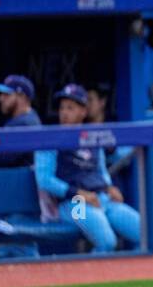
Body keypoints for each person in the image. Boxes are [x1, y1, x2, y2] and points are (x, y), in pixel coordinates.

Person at [34, 84, 141, 254]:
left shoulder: (91, 137)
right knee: (107, 242)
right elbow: (44, 180)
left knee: (144, 233)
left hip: (101, 199)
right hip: (73, 205)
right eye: (62, 108)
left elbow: (100, 169)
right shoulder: (49, 139)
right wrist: (78, 193)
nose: (64, 113)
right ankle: (91, 278)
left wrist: (109, 186)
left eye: (71, 108)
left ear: (83, 112)